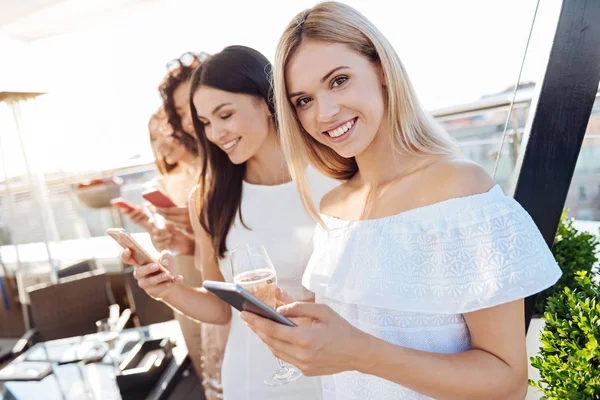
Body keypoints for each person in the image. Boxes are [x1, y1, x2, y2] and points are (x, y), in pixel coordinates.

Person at [242, 2, 563, 399]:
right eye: (303, 101)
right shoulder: (334, 208)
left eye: (339, 80)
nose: (324, 112)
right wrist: (301, 325)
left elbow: (508, 382)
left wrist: (359, 352)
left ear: (380, 69)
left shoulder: (459, 190)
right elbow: (356, 336)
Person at [122, 45, 339, 399]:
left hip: (332, 368)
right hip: (253, 377)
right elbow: (221, 310)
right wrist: (167, 289)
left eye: (225, 115)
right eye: (205, 122)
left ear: (267, 102)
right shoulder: (208, 199)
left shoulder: (336, 177)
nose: (214, 133)